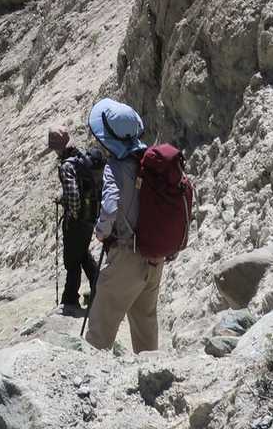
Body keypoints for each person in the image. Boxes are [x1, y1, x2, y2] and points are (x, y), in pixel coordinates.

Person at [83, 98, 162, 354]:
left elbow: (110, 208)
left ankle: (85, 375)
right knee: (145, 321)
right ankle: (150, 371)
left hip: (127, 255)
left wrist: (101, 232)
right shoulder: (152, 161)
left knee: (101, 324)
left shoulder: (115, 168)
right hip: (155, 255)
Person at [47, 126, 104, 315]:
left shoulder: (67, 166)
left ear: (58, 148)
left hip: (77, 221)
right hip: (91, 216)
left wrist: (71, 212)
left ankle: (71, 299)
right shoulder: (82, 159)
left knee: (72, 260)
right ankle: (99, 289)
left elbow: (73, 196)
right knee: (82, 254)